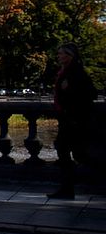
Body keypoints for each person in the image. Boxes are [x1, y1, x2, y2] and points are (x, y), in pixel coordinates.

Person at [48, 43, 97, 200]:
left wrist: (70, 90)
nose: (59, 56)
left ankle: (68, 189)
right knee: (73, 153)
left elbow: (90, 94)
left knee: (76, 154)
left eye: (61, 53)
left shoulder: (75, 72)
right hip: (68, 119)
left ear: (70, 56)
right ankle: (67, 188)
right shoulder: (67, 71)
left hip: (73, 120)